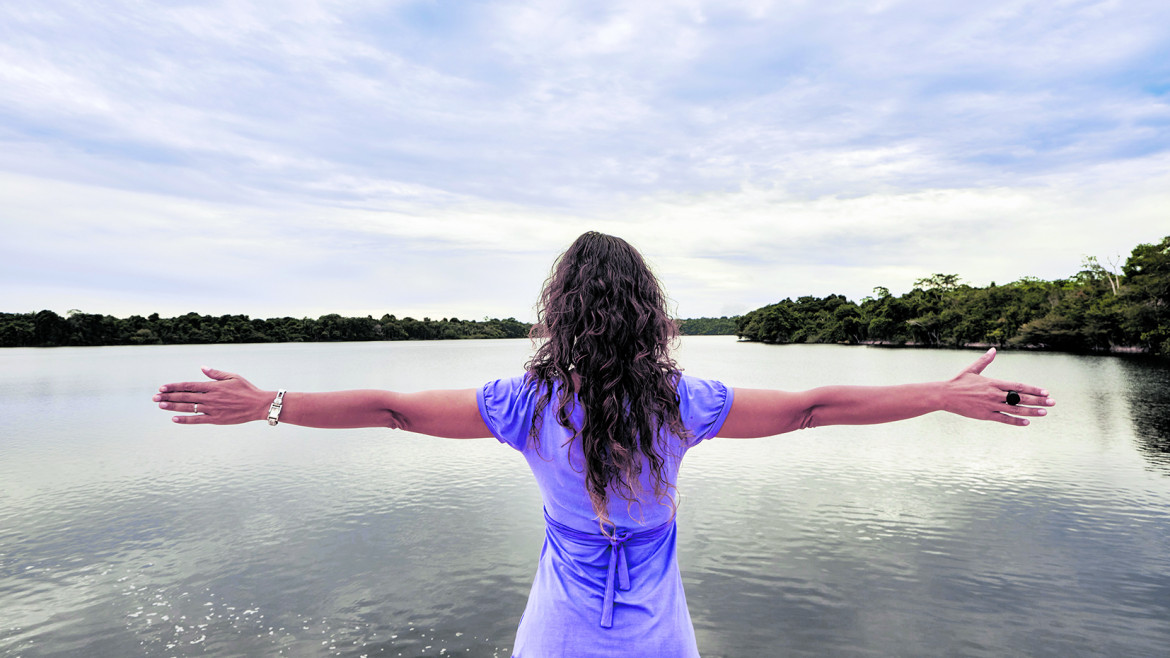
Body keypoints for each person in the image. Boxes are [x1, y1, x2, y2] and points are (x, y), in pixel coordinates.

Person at [153, 231, 1054, 657]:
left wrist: (273, 402)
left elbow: (390, 408)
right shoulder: (682, 404)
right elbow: (817, 405)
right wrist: (939, 393)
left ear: (558, 316)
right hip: (661, 636)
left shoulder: (524, 403)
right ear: (651, 316)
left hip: (555, 635)